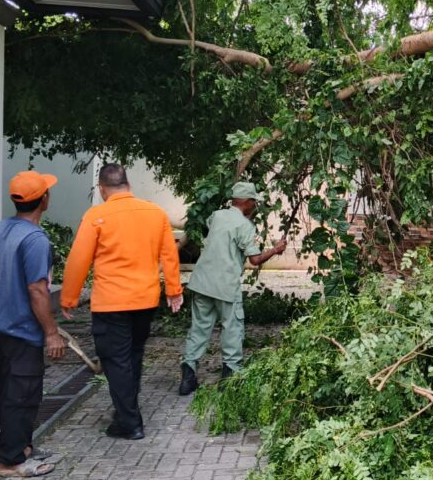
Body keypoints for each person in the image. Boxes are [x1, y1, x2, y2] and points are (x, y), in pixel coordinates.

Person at [60, 163, 183, 440]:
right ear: (128, 185)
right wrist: (173, 290)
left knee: (116, 361)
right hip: (145, 300)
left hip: (111, 304)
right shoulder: (155, 213)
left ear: (102, 189)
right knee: (133, 356)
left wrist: (68, 297)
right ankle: (125, 411)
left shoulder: (96, 215)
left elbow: (78, 260)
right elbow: (169, 255)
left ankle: (129, 422)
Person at [0, 171, 66, 478]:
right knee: (23, 394)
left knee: (6, 390)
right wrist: (51, 332)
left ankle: (20, 447)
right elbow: (36, 289)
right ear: (44, 200)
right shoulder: (34, 240)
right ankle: (12, 461)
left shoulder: (1, 229)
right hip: (21, 328)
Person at [178, 182, 287, 394]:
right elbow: (255, 260)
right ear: (246, 202)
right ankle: (229, 379)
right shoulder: (245, 226)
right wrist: (275, 250)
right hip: (226, 285)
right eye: (254, 202)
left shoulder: (216, 216)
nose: (255, 205)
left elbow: (213, 229)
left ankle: (188, 376)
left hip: (202, 281)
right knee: (232, 328)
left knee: (199, 328)